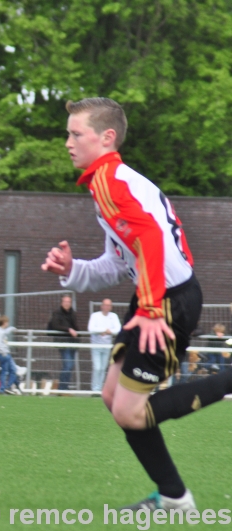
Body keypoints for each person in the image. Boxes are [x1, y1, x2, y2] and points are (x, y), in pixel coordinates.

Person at [42, 96, 232, 511]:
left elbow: (147, 238)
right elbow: (119, 261)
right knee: (114, 398)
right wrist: (72, 270)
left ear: (106, 137)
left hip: (166, 302)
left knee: (129, 412)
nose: (68, 142)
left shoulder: (110, 181)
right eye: (68, 134)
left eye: (76, 134)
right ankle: (173, 495)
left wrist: (148, 309)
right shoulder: (111, 182)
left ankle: (176, 495)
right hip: (155, 296)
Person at [88, 298, 121, 392]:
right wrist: (103, 330)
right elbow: (91, 329)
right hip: (96, 346)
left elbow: (118, 329)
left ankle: (99, 389)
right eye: (105, 305)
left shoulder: (113, 316)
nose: (107, 307)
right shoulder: (95, 316)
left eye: (109, 305)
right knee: (97, 367)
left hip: (107, 346)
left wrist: (108, 332)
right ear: (102, 306)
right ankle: (94, 389)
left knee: (103, 368)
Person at [47, 294, 79, 390]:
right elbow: (55, 325)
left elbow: (76, 327)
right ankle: (62, 387)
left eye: (69, 302)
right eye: (65, 301)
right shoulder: (57, 313)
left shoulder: (73, 313)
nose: (67, 304)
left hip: (73, 342)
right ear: (62, 302)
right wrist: (68, 329)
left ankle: (65, 387)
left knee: (69, 366)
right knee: (68, 365)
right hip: (63, 342)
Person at [0, 316, 21, 395]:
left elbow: (5, 332)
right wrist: (4, 353)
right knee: (8, 371)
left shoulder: (0, 331)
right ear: (4, 323)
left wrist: (12, 328)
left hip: (4, 353)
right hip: (4, 354)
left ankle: (6, 387)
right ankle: (5, 388)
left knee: (10, 370)